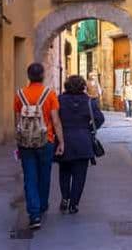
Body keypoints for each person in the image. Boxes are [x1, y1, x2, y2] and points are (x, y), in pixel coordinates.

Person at [14, 63, 64, 230]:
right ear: (42, 75)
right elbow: (55, 120)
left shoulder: (20, 94)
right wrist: (61, 142)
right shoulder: (49, 94)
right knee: (44, 175)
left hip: (26, 143)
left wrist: (19, 138)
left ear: (28, 76)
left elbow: (17, 120)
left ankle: (34, 214)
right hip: (46, 141)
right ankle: (42, 206)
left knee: (29, 177)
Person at [57, 75, 104, 214]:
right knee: (80, 174)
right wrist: (88, 129)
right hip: (83, 141)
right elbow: (100, 118)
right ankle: (74, 204)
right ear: (83, 86)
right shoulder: (89, 101)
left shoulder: (60, 100)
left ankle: (65, 198)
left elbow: (54, 118)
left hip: (64, 140)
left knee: (64, 172)